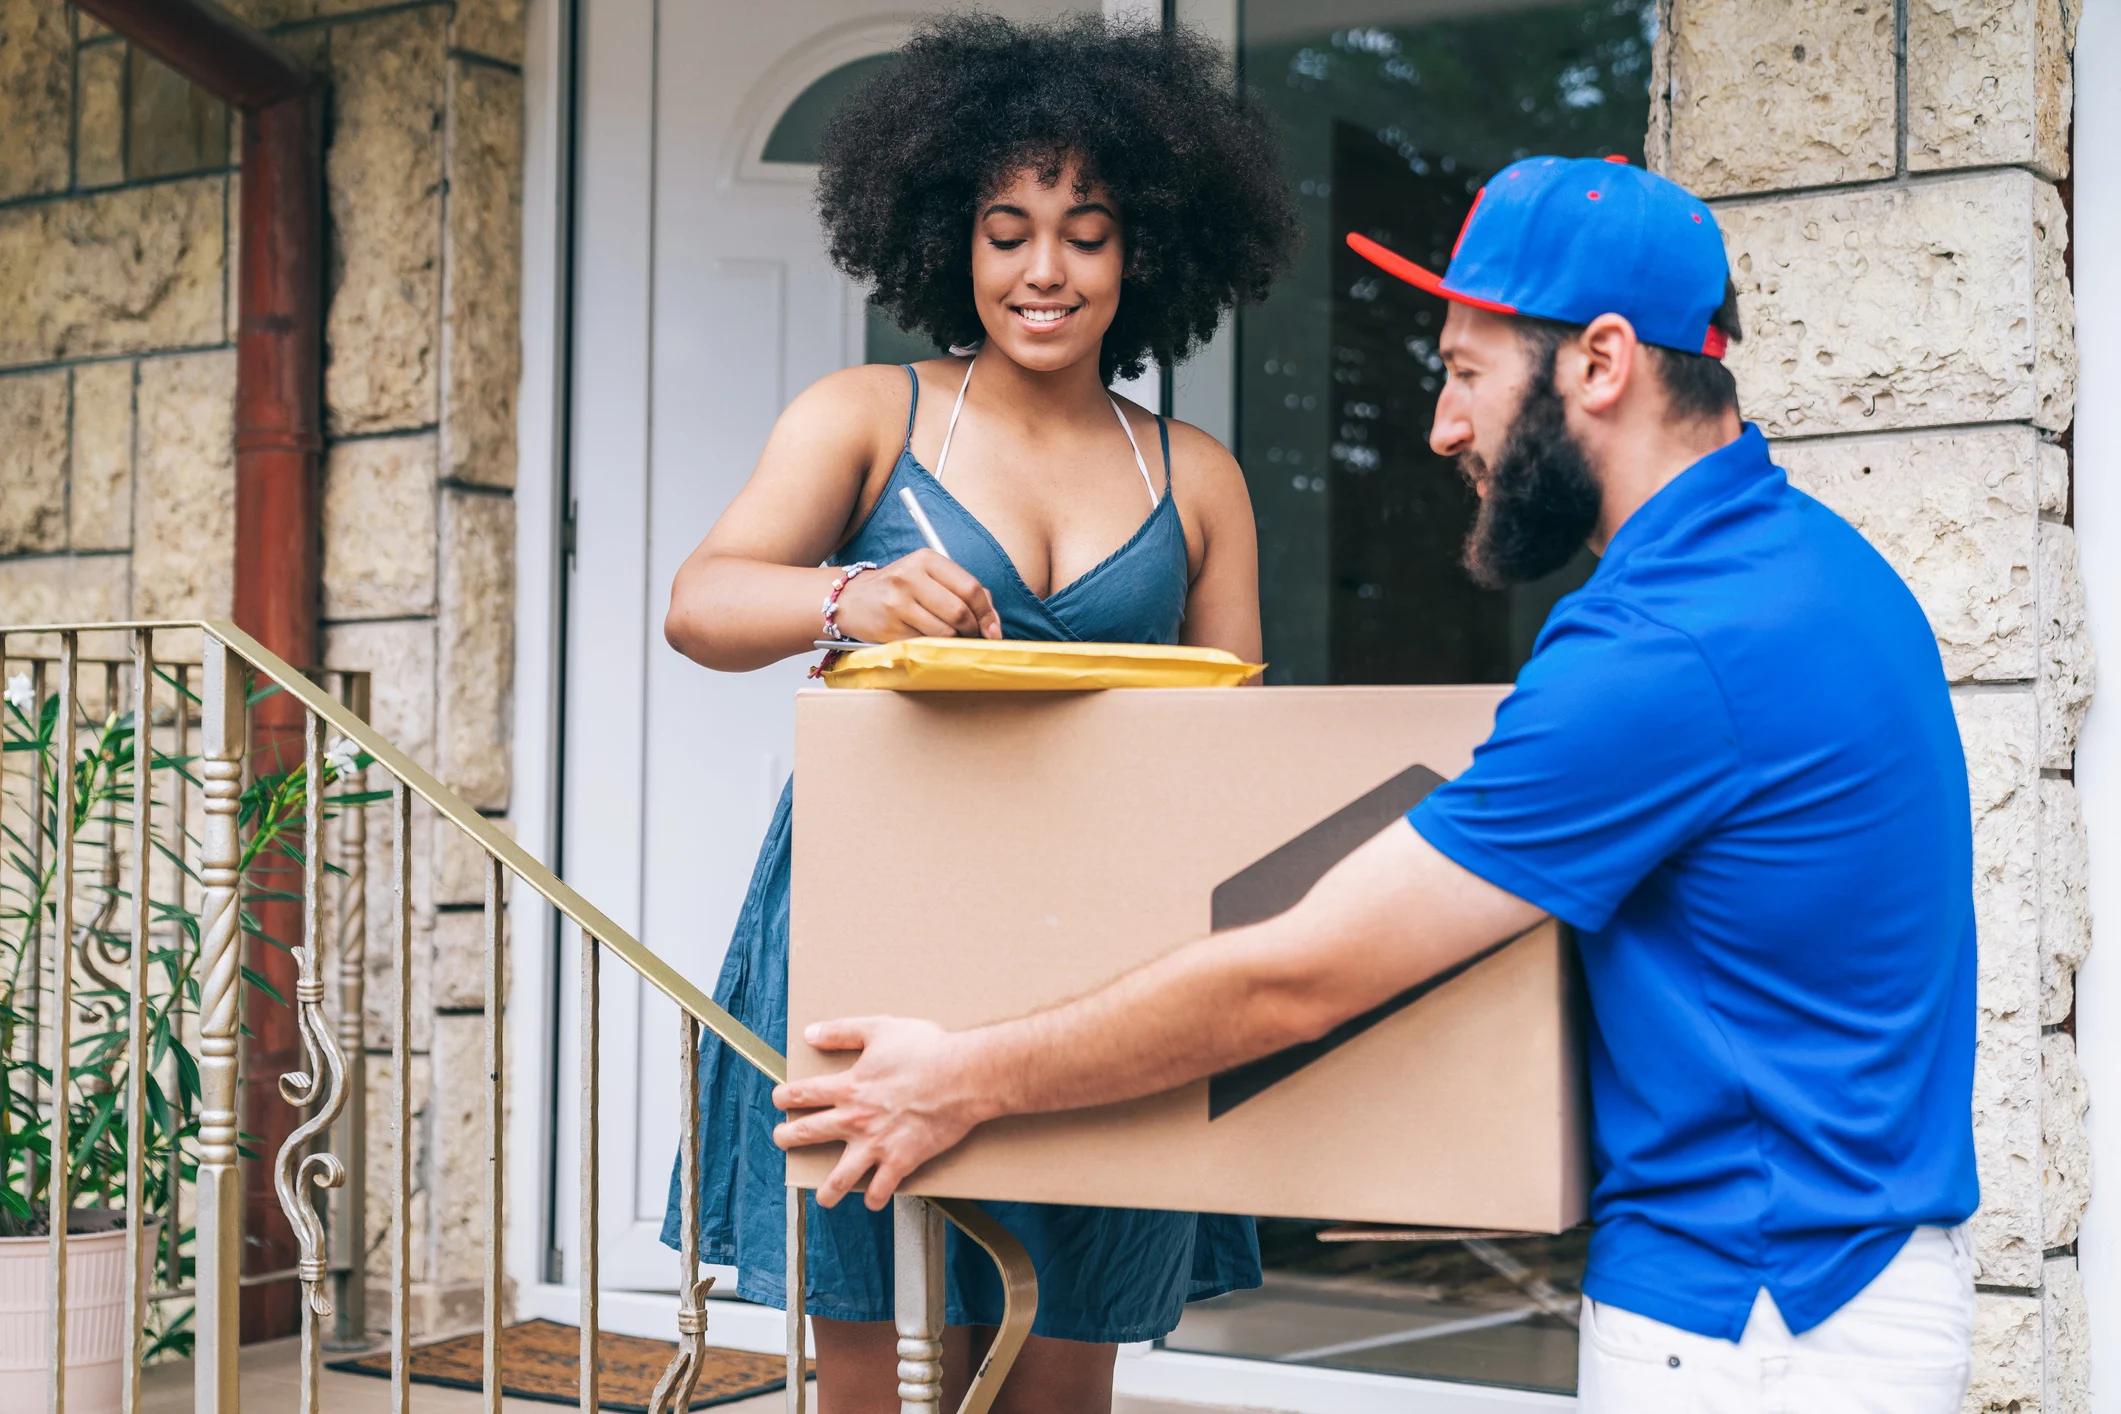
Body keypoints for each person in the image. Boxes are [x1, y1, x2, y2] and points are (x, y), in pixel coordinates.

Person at [772, 156, 1981, 1413]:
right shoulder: (1823, 568)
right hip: (1839, 1285)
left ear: (1602, 363)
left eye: (1465, 373)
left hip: (1754, 1320)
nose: (1444, 428)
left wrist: (959, 1075)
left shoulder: (1670, 645)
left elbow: (1303, 971)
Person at [658, 15, 1300, 1414]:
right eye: (1007, 230)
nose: (1045, 271)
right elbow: (700, 603)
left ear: (1147, 251)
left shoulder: (1196, 474)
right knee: (880, 1379)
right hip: (874, 936)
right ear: (950, 235)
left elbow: (1236, 742)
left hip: (1102, 967)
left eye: (1086, 230)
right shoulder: (867, 413)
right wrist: (850, 598)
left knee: (1058, 1383)